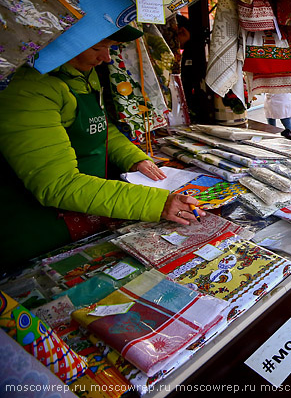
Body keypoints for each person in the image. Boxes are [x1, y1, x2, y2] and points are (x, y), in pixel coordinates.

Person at [0, 26, 203, 267]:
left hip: (88, 206)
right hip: (41, 228)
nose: (106, 58)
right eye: (98, 47)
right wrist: (157, 203)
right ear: (63, 44)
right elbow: (57, 184)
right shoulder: (29, 89)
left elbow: (101, 129)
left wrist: (135, 158)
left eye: (109, 47)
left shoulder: (83, 74)